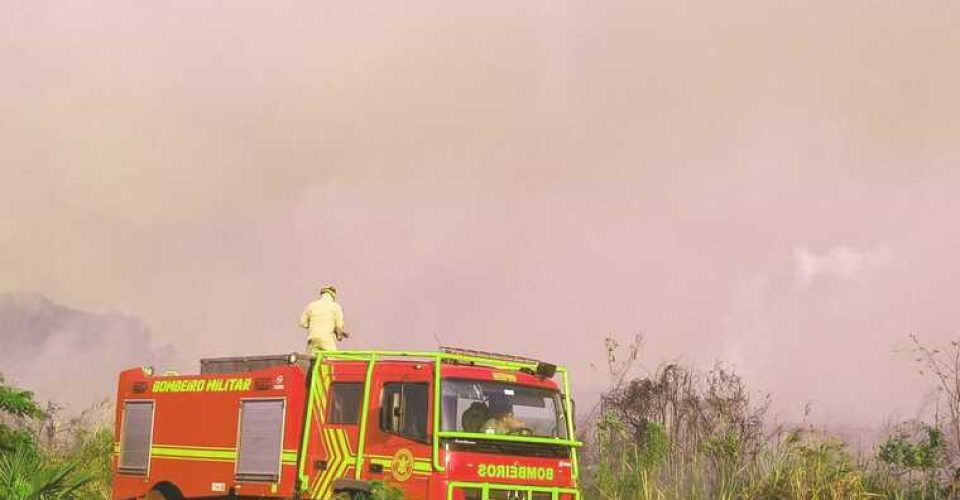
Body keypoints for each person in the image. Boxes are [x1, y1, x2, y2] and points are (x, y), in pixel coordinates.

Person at [299, 285, 347, 354]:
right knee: (333, 358)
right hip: (326, 340)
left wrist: (315, 324)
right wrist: (339, 335)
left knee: (310, 359)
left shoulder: (311, 305)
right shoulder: (335, 306)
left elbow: (303, 323)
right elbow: (338, 327)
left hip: (312, 338)